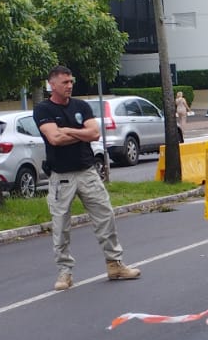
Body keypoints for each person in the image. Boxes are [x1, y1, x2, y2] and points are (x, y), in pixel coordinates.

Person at [33, 66, 141, 290]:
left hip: (87, 171)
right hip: (61, 176)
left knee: (105, 215)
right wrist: (79, 133)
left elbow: (94, 133)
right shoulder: (43, 109)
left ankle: (115, 264)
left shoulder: (81, 106)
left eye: (71, 81)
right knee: (60, 224)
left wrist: (69, 131)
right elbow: (54, 138)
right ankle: (65, 273)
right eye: (64, 82)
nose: (70, 85)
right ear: (52, 84)